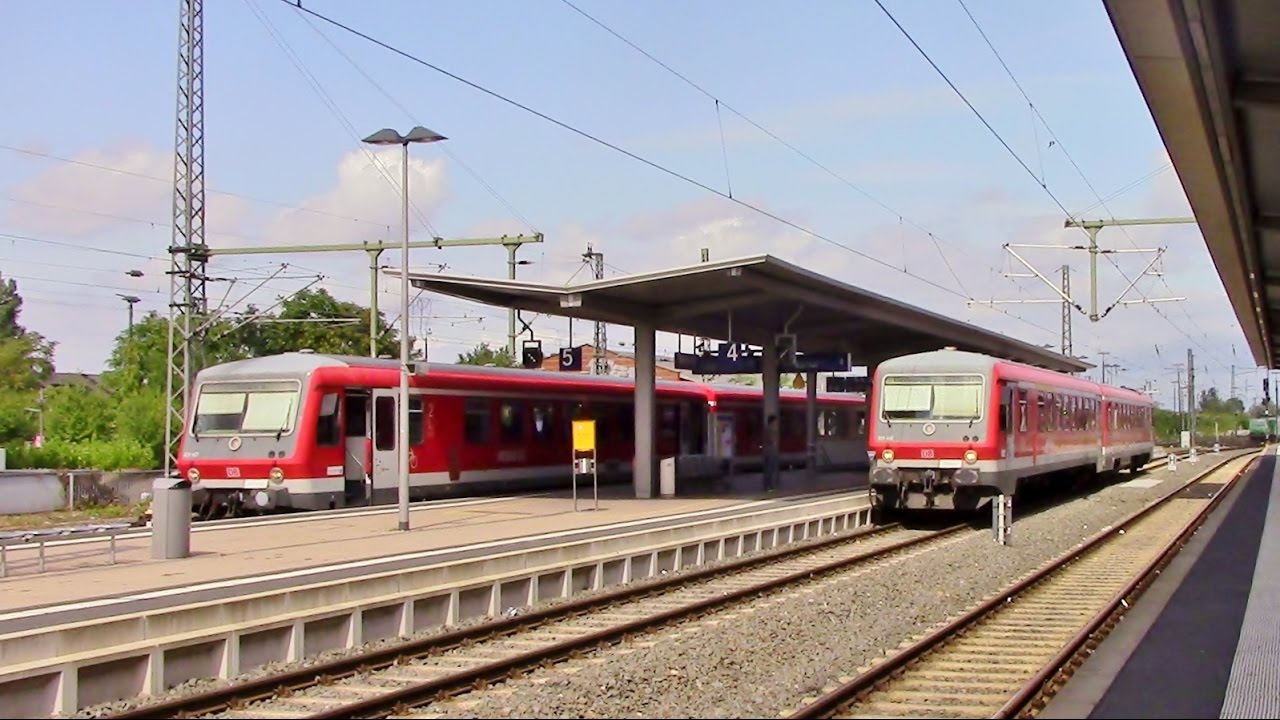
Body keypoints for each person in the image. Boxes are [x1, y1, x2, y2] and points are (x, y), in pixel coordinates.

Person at [763, 413, 779, 492]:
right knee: (769, 469)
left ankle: (768, 485)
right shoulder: (770, 430)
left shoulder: (767, 429)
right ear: (772, 422)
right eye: (775, 421)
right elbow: (772, 441)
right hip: (770, 452)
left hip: (767, 451)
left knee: (768, 469)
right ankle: (769, 486)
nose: (776, 423)